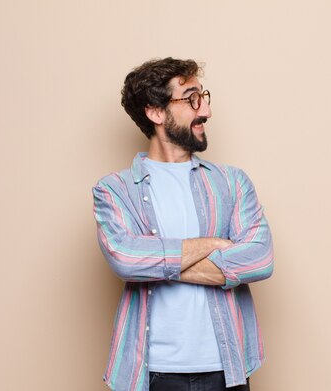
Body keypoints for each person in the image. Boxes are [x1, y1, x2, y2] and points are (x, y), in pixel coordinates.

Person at [92, 57, 274, 391]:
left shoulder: (232, 183)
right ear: (156, 112)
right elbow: (125, 259)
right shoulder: (114, 190)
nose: (204, 111)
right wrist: (213, 244)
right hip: (153, 375)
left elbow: (260, 259)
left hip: (228, 369)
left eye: (203, 97)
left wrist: (156, 263)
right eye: (191, 99)